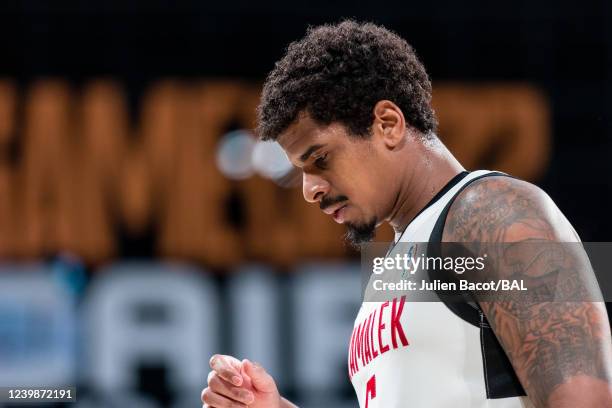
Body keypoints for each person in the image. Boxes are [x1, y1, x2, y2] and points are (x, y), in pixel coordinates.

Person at [201, 20, 612, 407]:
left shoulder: (494, 211)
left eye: (321, 159)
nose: (311, 190)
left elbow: (586, 400)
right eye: (301, 171)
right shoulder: (395, 265)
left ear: (388, 124)